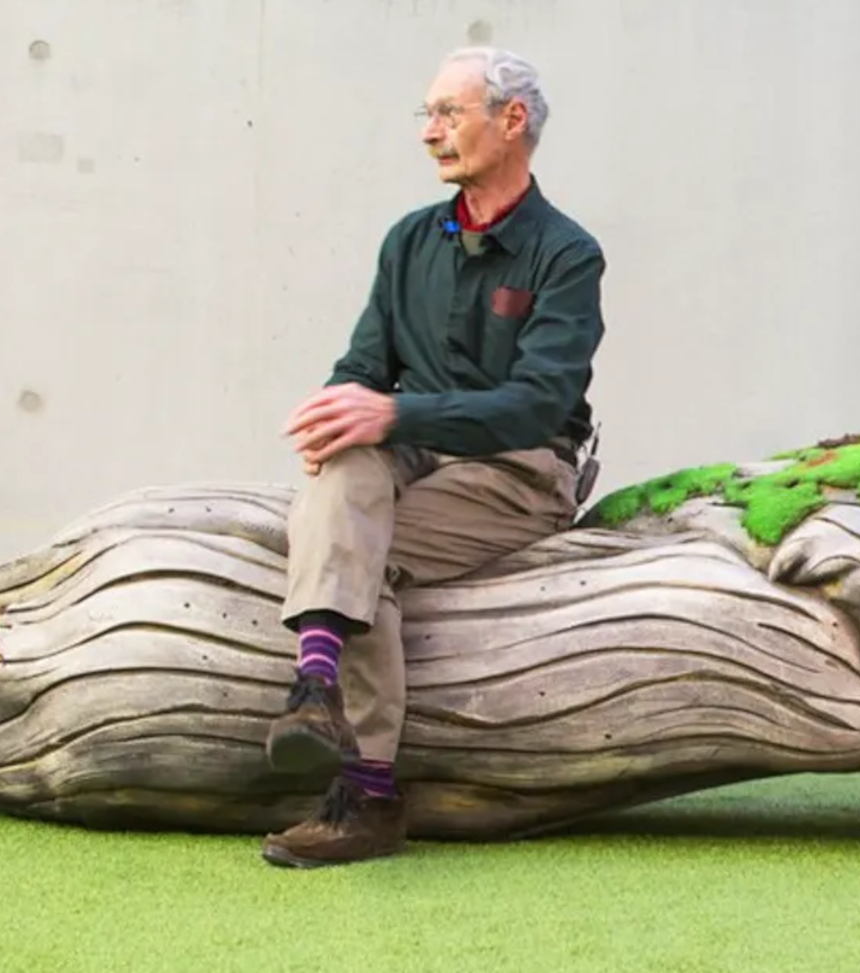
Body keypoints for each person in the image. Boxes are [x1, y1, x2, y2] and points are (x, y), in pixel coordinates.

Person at [257, 46, 606, 868]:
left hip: (522, 467)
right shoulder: (408, 240)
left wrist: (393, 411)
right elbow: (364, 366)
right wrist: (335, 411)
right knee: (342, 474)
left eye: (448, 113)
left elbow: (538, 403)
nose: (430, 134)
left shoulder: (567, 253)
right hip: (413, 450)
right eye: (427, 115)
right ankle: (313, 694)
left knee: (353, 552)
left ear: (511, 121)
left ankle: (366, 793)